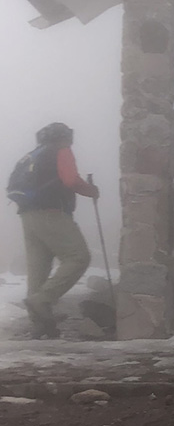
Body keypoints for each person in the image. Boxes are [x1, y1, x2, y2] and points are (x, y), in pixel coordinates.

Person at [8, 122, 99, 339]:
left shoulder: (34, 154)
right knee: (78, 257)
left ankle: (41, 324)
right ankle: (43, 300)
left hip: (28, 216)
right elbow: (69, 179)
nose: (71, 141)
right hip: (51, 213)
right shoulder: (61, 150)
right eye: (69, 137)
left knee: (38, 269)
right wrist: (91, 190)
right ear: (63, 137)